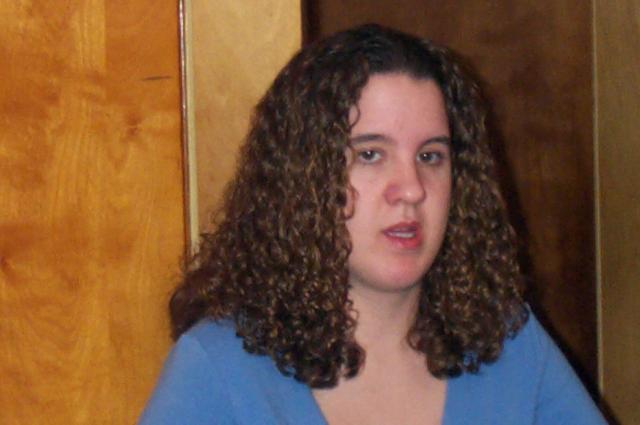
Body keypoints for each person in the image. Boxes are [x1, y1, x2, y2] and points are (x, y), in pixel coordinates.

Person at [139, 24, 606, 424]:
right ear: (303, 179)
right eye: (370, 154)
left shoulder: (509, 345)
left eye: (431, 156)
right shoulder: (217, 370)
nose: (412, 188)